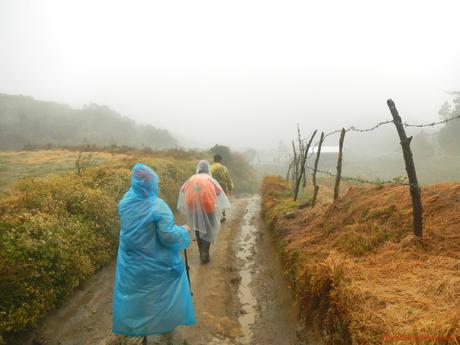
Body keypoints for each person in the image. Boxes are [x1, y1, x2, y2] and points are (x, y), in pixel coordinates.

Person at [112, 163, 195, 344]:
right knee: (158, 299)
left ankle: (142, 336)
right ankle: (161, 333)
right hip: (157, 266)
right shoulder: (158, 206)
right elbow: (168, 237)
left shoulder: (124, 203)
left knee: (139, 299)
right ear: (151, 183)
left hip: (131, 265)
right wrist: (183, 230)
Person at [177, 160, 231, 264]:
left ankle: (201, 251)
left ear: (198, 169)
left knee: (198, 228)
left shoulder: (191, 179)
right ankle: (205, 253)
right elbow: (219, 192)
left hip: (192, 207)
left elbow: (183, 190)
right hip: (208, 207)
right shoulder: (210, 180)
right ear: (207, 169)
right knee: (208, 229)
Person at [210, 154, 234, 222]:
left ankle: (214, 216)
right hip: (221, 186)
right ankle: (223, 216)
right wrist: (230, 188)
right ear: (220, 160)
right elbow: (228, 179)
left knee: (213, 200)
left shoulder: (210, 167)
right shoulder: (223, 168)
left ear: (214, 160)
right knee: (222, 200)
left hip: (211, 186)